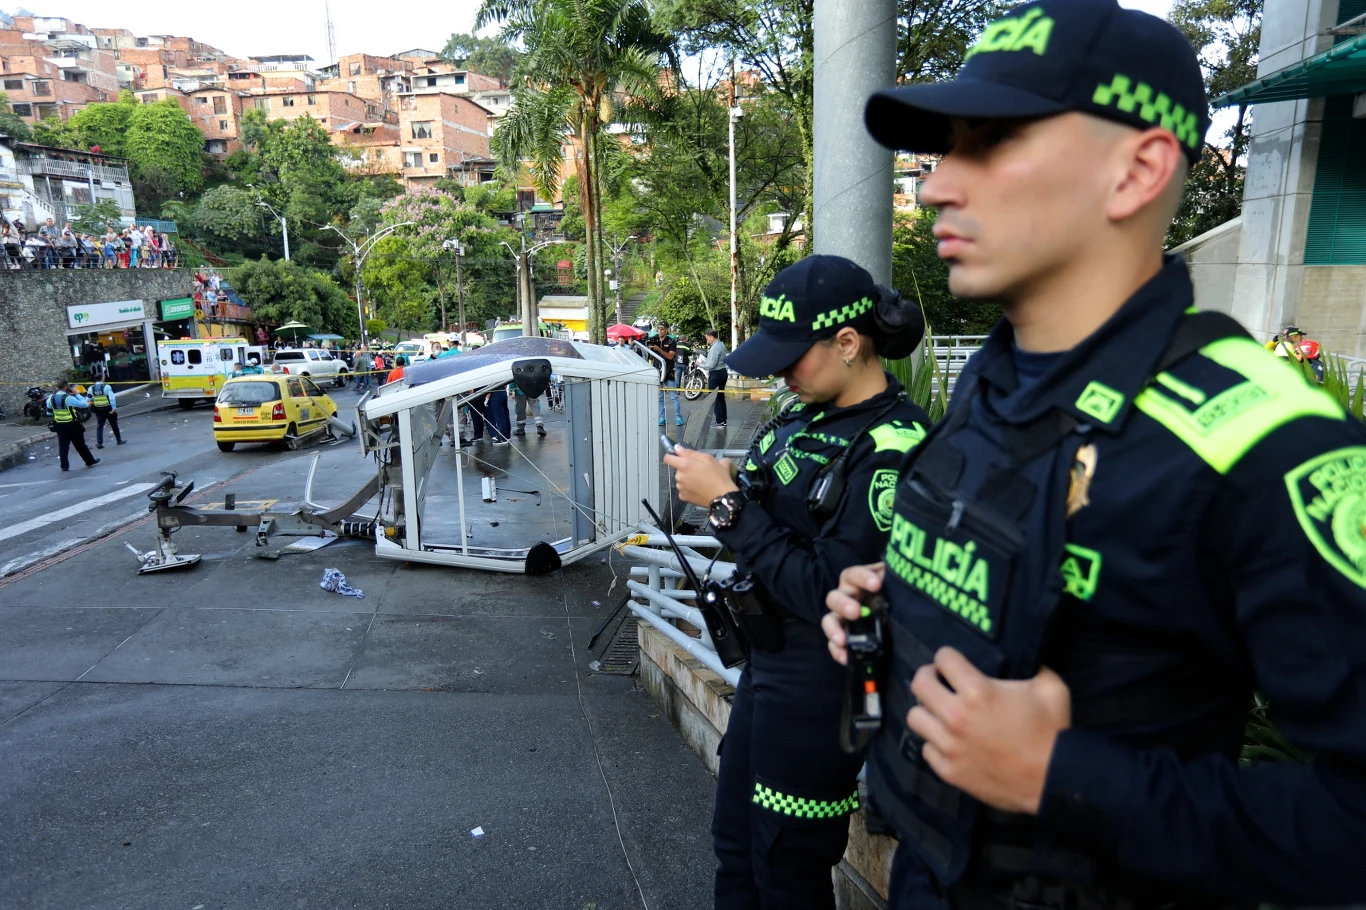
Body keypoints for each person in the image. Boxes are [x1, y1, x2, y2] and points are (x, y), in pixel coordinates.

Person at [822, 2, 1366, 908]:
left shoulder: (1265, 445)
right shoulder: (998, 379)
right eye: (944, 146)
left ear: (1137, 170)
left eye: (989, 142)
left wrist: (1066, 778)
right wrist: (905, 598)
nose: (933, 187)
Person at [666, 255, 930, 910]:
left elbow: (831, 593)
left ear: (847, 343)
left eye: (793, 355)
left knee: (788, 869)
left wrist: (726, 507)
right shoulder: (806, 413)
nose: (783, 372)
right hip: (767, 666)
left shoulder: (894, 446)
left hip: (822, 687)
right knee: (735, 846)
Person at [48, 380, 100, 471]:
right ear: (66, 387)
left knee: (63, 445)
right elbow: (84, 404)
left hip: (59, 425)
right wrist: (76, 394)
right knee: (80, 444)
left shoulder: (51, 398)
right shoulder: (68, 398)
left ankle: (64, 466)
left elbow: (49, 412)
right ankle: (89, 461)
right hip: (72, 424)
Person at [651, 321, 683, 427]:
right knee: (659, 397)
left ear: (667, 330)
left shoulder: (671, 341)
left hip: (668, 372)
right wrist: (650, 349)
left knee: (674, 396)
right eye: (659, 328)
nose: (660, 331)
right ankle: (661, 417)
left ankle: (678, 417)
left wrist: (659, 349)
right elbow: (651, 357)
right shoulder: (654, 339)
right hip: (657, 371)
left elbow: (670, 356)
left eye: (662, 329)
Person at [701, 328, 730, 429]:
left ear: (712, 337)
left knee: (715, 398)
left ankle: (719, 421)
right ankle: (723, 420)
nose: (707, 340)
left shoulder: (715, 347)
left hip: (716, 374)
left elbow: (712, 364)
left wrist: (701, 365)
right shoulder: (721, 345)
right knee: (720, 397)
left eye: (707, 338)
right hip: (722, 372)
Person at [88, 373, 125, 449]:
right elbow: (111, 398)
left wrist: (94, 402)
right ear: (102, 378)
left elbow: (88, 399)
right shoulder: (107, 387)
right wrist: (114, 408)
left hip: (98, 410)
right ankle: (119, 440)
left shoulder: (91, 388)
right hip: (108, 409)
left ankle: (99, 443)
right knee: (114, 425)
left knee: (100, 426)